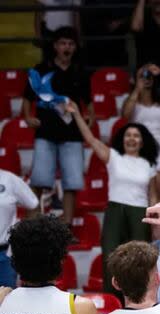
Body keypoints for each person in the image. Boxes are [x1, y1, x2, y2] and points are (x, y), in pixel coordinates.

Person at [67, 100, 159, 295]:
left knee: (140, 261)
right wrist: (76, 113)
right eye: (128, 135)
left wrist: (156, 222)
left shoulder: (149, 164)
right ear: (122, 139)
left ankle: (139, 300)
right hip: (115, 211)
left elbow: (153, 195)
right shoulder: (113, 157)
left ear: (142, 141)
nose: (132, 139)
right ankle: (113, 301)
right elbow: (90, 139)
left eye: (136, 136)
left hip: (140, 214)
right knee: (111, 257)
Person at [23, 26, 92, 228]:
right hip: (45, 133)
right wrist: (28, 117)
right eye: (63, 43)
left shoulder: (80, 71)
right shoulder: (41, 69)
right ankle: (32, 224)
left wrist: (89, 117)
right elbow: (27, 98)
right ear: (55, 46)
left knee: (71, 184)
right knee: (38, 181)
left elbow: (88, 105)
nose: (67, 47)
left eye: (70, 44)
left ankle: (67, 226)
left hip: (72, 136)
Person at [122, 63, 160, 200]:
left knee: (159, 192)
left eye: (149, 76)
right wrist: (137, 88)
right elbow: (126, 115)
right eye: (143, 76)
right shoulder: (132, 101)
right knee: (139, 194)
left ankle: (154, 221)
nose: (146, 78)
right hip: (139, 149)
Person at [0, 169, 39, 287]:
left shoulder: (10, 180)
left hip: (4, 254)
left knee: (6, 302)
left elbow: (33, 205)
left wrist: (28, 235)